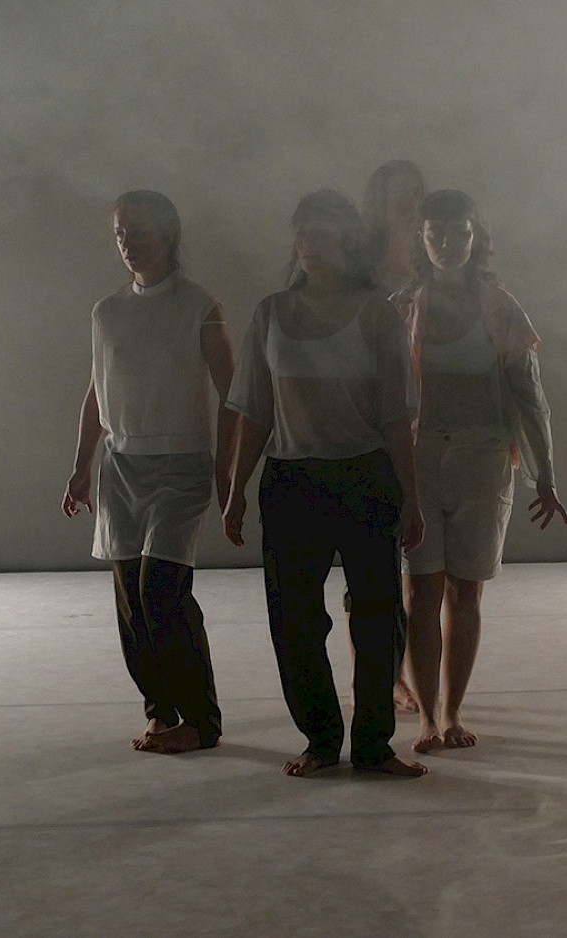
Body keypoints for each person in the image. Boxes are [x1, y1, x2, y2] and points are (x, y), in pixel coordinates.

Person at [223, 189, 427, 778]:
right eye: (304, 231)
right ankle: (319, 738)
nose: (313, 243)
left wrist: (411, 497)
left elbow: (396, 415)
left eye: (325, 231)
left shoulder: (375, 312)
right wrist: (236, 489)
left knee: (378, 614)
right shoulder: (271, 313)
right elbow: (255, 410)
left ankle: (372, 744)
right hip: (292, 481)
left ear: (348, 240)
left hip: (364, 474)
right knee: (294, 618)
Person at [62, 189, 237, 755]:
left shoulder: (199, 307)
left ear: (168, 235)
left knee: (161, 589)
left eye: (140, 232)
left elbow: (232, 394)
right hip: (122, 466)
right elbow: (97, 390)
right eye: (121, 233)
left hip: (181, 465)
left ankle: (201, 720)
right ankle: (161, 710)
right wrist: (81, 465)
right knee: (131, 602)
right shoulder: (107, 311)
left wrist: (229, 472)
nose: (129, 244)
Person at [399, 189, 567, 754]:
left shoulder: (500, 308)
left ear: (477, 239)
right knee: (421, 590)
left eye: (460, 232)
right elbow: (383, 399)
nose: (449, 243)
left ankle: (451, 712)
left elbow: (530, 397)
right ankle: (426, 716)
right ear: (422, 241)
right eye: (437, 233)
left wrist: (545, 474)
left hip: (483, 457)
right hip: (420, 460)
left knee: (464, 590)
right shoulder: (405, 307)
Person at [359, 159, 427, 713]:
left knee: (425, 567)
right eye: (394, 194)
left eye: (413, 194)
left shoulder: (437, 259)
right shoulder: (364, 269)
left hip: (434, 416)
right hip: (379, 416)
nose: (404, 203)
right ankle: (388, 675)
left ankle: (415, 671)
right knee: (380, 563)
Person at [362, 159, 426, 295]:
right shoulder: (361, 268)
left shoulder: (435, 262)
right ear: (380, 203)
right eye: (401, 193)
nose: (413, 203)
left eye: (417, 193)